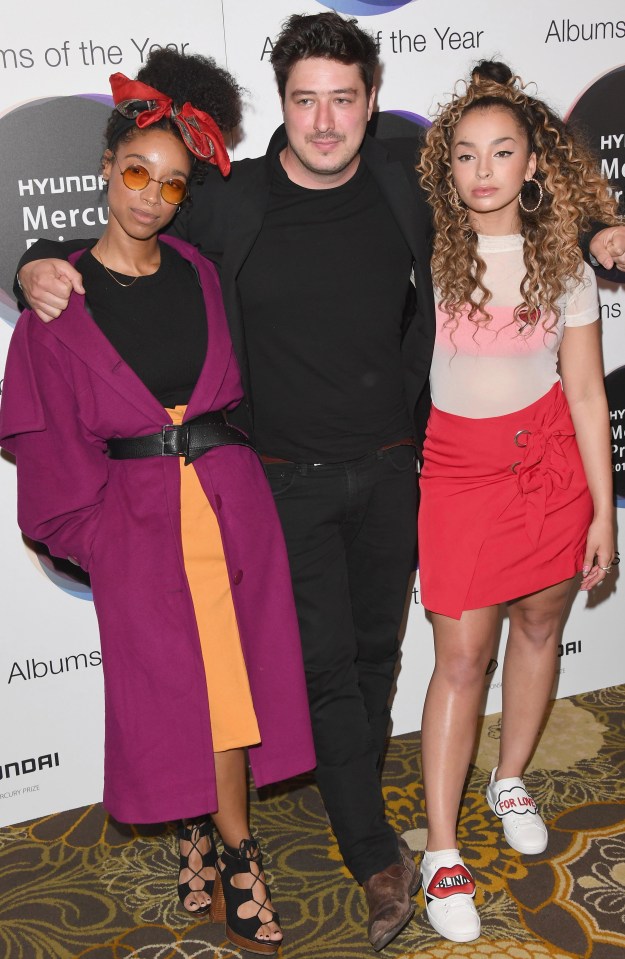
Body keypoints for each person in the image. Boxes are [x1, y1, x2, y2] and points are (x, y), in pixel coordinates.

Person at [15, 13, 434, 951]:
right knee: (294, 671)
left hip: (367, 473)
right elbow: (107, 256)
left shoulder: (407, 187)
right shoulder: (230, 203)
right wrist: (26, 266)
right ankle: (362, 852)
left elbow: (506, 205)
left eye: (343, 98)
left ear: (371, 100)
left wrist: (598, 225)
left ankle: (320, 808)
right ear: (279, 106)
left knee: (371, 657)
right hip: (277, 482)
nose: (324, 121)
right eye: (303, 100)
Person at [0, 49, 316, 957]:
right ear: (104, 169)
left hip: (229, 507)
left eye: (171, 184)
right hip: (139, 524)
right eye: (135, 172)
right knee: (182, 692)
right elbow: (48, 445)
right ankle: (227, 847)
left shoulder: (199, 270)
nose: (149, 195)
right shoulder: (57, 300)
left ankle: (223, 843)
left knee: (229, 689)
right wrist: (104, 537)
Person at [414, 60, 619, 944]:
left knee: (539, 625)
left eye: (503, 150)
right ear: (445, 167)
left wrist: (604, 511)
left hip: (550, 467)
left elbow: (583, 393)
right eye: (466, 154)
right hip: (455, 471)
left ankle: (510, 778)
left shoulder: (560, 257)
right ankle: (441, 851)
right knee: (461, 658)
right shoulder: (417, 243)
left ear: (534, 161)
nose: (485, 168)